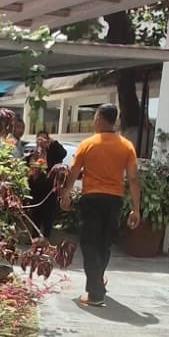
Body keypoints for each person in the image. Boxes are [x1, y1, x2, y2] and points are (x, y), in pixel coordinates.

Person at [59, 103, 139, 306]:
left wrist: (66, 193)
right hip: (114, 200)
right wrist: (136, 209)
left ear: (100, 119)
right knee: (104, 243)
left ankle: (95, 294)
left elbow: (74, 172)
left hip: (92, 199)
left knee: (90, 244)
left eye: (95, 117)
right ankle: (98, 279)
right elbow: (133, 178)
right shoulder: (126, 146)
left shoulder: (88, 144)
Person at [28, 139, 67, 239]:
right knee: (35, 216)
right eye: (39, 140)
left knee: (48, 217)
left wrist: (53, 142)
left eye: (44, 140)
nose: (41, 142)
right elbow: (28, 167)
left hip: (49, 191)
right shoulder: (34, 154)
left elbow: (63, 153)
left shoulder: (53, 153)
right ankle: (35, 238)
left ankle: (46, 239)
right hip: (36, 192)